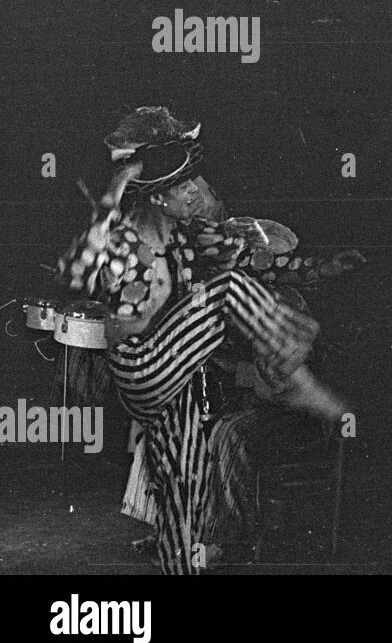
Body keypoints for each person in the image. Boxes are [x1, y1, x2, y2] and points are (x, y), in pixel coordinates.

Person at [58, 107, 350, 573]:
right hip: (141, 368)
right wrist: (114, 189)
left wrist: (322, 269)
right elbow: (74, 271)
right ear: (157, 198)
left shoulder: (183, 239)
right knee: (225, 293)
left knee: (182, 490)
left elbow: (262, 265)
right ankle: (293, 380)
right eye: (184, 186)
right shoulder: (125, 243)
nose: (195, 192)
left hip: (175, 379)